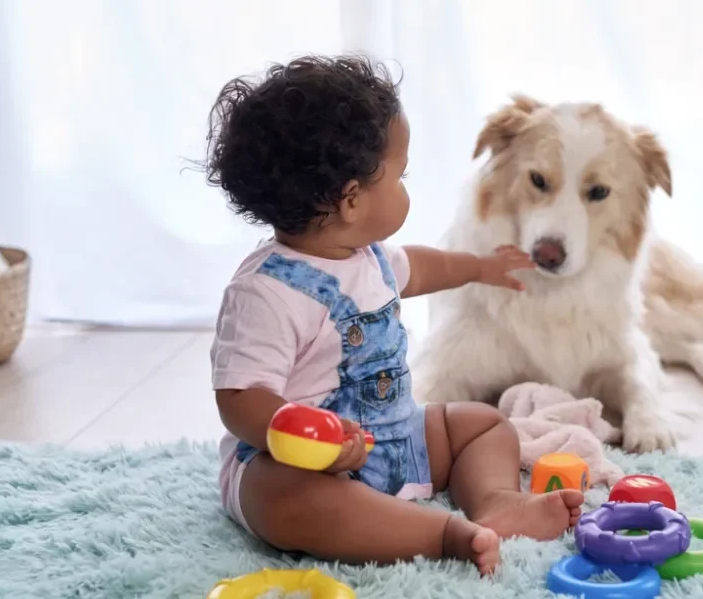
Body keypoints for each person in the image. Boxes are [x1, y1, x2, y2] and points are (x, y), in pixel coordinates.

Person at [205, 54, 584, 576]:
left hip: (395, 437)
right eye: (401, 175)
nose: (406, 187)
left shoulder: (368, 257)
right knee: (288, 499)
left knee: (482, 424)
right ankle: (441, 534)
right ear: (352, 200)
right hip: (302, 466)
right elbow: (240, 399)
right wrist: (313, 437)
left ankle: (495, 500)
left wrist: (479, 266)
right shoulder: (266, 292)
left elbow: (422, 269)